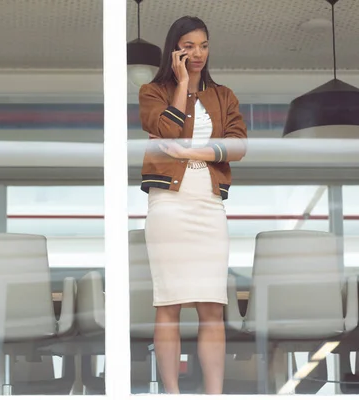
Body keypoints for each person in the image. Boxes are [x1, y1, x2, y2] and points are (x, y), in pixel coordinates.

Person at [138, 16, 248, 394]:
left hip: (208, 204)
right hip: (169, 204)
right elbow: (166, 130)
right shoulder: (152, 92)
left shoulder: (224, 96)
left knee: (212, 306)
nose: (197, 53)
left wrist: (195, 150)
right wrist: (182, 85)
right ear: (175, 49)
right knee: (168, 305)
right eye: (188, 45)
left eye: (203, 45)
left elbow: (238, 145)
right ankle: (172, 393)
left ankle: (214, 394)